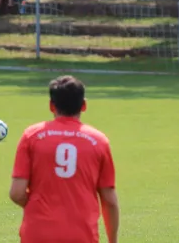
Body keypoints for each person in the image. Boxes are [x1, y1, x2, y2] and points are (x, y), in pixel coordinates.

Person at [9, 75, 120, 243]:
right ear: (84, 105)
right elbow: (109, 200)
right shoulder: (99, 141)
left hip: (37, 234)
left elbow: (17, 193)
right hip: (82, 234)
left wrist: (38, 207)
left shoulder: (31, 136)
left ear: (51, 106)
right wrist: (112, 240)